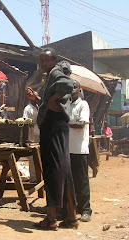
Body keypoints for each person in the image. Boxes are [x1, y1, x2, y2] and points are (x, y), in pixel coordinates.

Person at [27, 47, 79, 230]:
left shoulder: (56, 72)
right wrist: (40, 99)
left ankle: (51, 218)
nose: (43, 64)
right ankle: (71, 216)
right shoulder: (49, 76)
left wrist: (53, 99)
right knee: (63, 170)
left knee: (52, 169)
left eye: (46, 61)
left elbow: (69, 84)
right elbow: (51, 100)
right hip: (56, 126)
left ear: (54, 61)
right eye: (41, 61)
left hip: (54, 126)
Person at [67, 80, 92, 222]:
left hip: (80, 150)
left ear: (79, 90)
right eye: (70, 88)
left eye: (75, 87)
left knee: (81, 181)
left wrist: (64, 121)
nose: (72, 90)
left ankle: (86, 210)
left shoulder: (83, 105)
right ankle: (68, 209)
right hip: (67, 149)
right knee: (68, 181)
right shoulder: (66, 105)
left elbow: (81, 124)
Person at [22, 98, 40, 183]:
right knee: (32, 157)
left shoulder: (39, 107)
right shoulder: (28, 108)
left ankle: (40, 177)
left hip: (40, 134)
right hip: (32, 135)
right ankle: (34, 178)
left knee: (40, 157)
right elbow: (25, 121)